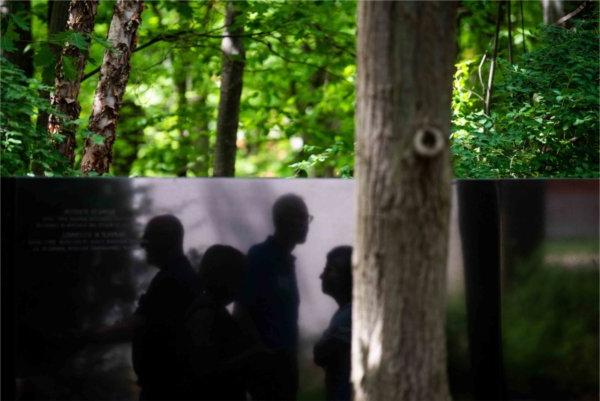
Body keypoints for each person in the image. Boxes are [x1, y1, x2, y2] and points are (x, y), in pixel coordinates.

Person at [236, 194, 312, 400]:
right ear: (284, 220)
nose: (307, 224)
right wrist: (262, 353)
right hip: (268, 367)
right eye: (302, 218)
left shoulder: (287, 261)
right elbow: (243, 310)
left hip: (285, 362)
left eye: (307, 219)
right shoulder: (260, 257)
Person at [132, 215, 199, 400]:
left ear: (165, 240)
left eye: (149, 238)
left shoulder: (171, 280)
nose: (143, 245)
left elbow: (140, 324)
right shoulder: (178, 276)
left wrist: (88, 337)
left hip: (165, 390)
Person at [179, 245, 258, 401]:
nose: (244, 283)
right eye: (240, 276)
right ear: (225, 278)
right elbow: (204, 369)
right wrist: (250, 356)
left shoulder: (210, 310)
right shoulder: (205, 314)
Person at [314, 246, 353, 401]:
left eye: (330, 270)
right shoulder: (343, 312)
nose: (321, 276)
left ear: (349, 276)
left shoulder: (353, 313)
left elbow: (322, 353)